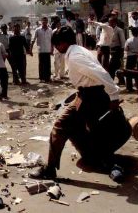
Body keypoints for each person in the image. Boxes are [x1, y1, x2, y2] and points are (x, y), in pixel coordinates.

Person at [29, 26, 132, 182]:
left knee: (61, 126)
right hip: (85, 94)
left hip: (91, 96)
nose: (56, 48)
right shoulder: (79, 50)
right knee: (93, 129)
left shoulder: (76, 56)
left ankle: (50, 169)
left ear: (63, 43)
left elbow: (101, 73)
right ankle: (110, 164)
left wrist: (114, 95)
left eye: (57, 44)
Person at [32, 17, 53, 82]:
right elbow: (33, 39)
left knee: (48, 65)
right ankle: (41, 78)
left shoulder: (50, 30)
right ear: (41, 22)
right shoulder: (37, 30)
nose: (44, 23)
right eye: (43, 22)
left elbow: (52, 40)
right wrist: (30, 49)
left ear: (47, 22)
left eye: (46, 21)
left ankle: (48, 78)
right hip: (41, 50)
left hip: (48, 50)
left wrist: (52, 49)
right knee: (41, 65)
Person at [124, 27, 138, 92]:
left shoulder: (129, 40)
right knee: (137, 72)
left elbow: (126, 49)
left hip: (130, 56)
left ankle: (129, 87)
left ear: (132, 33)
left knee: (128, 72)